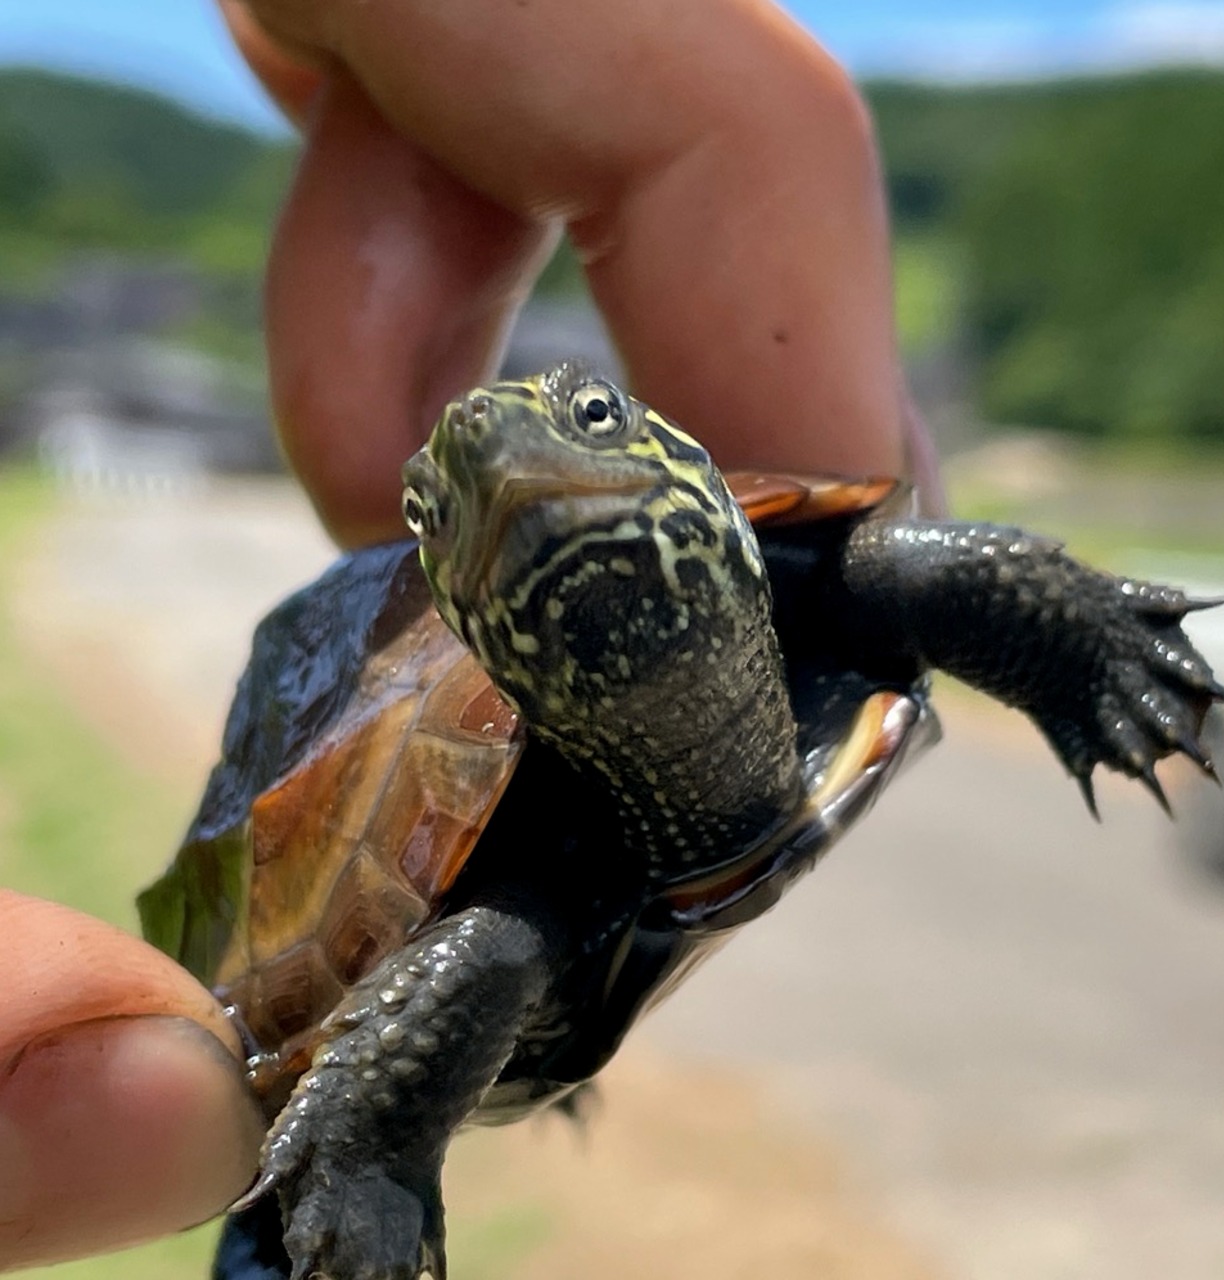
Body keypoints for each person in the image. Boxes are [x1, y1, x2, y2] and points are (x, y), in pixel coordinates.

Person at [0, 0, 939, 1268]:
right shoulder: (500, 928)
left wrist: (1077, 642)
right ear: (467, 586)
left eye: (591, 417)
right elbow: (477, 952)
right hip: (434, 965)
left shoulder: (835, 594)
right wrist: (375, 1155)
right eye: (440, 504)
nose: (507, 458)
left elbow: (913, 568)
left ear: (700, 484)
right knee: (444, 1008)